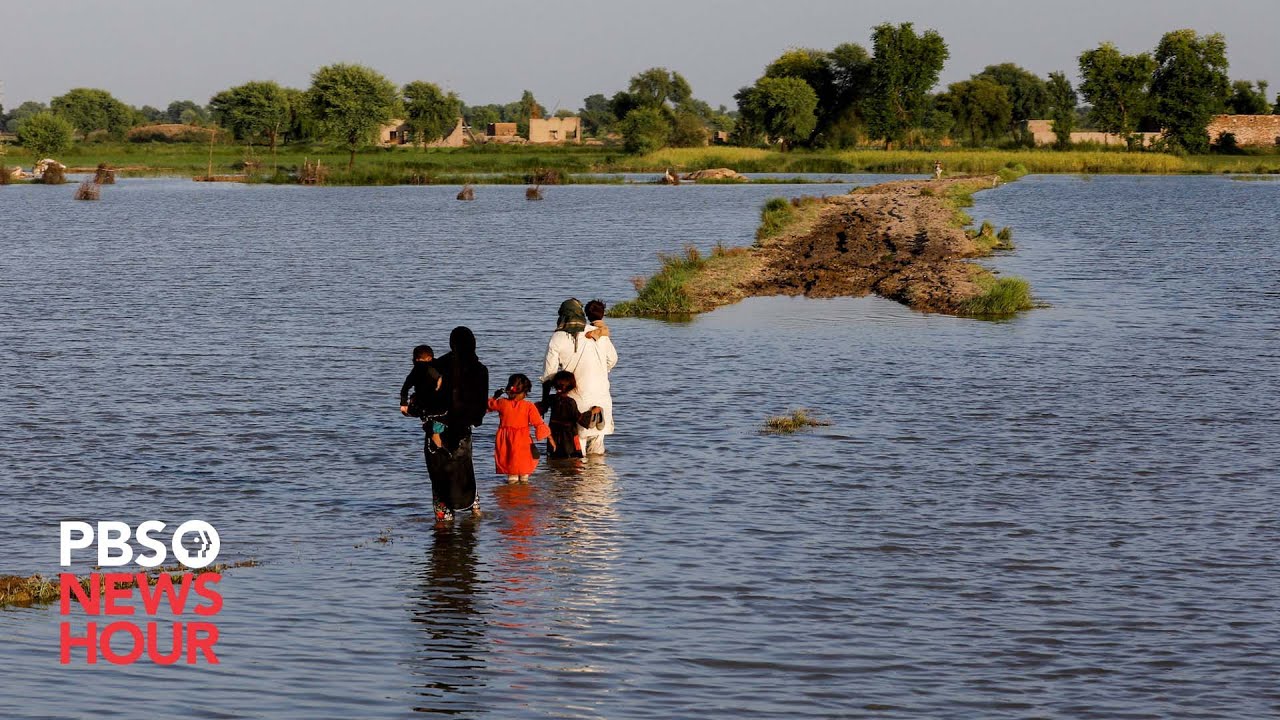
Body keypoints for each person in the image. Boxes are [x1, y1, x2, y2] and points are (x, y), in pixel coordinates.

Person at [426, 327, 489, 521]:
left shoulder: (437, 367)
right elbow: (480, 405)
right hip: (462, 428)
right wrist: (474, 420)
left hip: (438, 426)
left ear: (452, 343)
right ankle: (473, 510)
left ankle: (444, 518)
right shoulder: (479, 369)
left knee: (439, 473)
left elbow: (425, 397)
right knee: (463, 468)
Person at [541, 298, 617, 454]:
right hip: (602, 397)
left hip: (575, 402)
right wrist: (602, 369)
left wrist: (545, 402)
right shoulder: (599, 333)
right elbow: (613, 359)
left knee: (578, 448)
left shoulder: (557, 337)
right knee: (597, 451)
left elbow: (549, 375)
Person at [487, 373, 551, 483]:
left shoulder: (502, 403)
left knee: (511, 473)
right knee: (524, 472)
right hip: (523, 440)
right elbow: (539, 424)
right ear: (525, 392)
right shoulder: (529, 406)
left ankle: (511, 496)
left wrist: (495, 396)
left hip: (505, 440)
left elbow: (488, 406)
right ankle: (523, 496)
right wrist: (550, 438)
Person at [538, 370, 600, 459]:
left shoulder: (552, 399)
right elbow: (580, 418)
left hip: (554, 433)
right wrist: (593, 412)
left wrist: (546, 384)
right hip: (568, 435)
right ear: (571, 387)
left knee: (554, 456)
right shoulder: (570, 402)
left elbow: (543, 404)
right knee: (572, 459)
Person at [400, 344, 446, 452]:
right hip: (438, 405)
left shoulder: (419, 367)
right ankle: (439, 445)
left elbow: (405, 388)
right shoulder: (437, 364)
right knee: (435, 427)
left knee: (434, 429)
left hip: (426, 404)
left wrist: (403, 404)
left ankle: (439, 448)